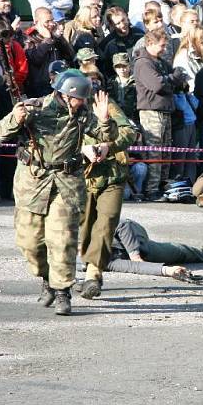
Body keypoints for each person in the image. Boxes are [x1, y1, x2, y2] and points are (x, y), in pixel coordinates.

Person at [0, 71, 117, 315]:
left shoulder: (82, 115)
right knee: (29, 242)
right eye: (78, 98)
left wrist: (104, 120)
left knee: (62, 239)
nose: (82, 102)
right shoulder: (34, 108)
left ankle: (62, 292)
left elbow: (107, 136)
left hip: (66, 183)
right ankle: (47, 278)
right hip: (33, 183)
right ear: (65, 94)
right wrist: (14, 120)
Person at [78, 69, 136, 299]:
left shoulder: (107, 106)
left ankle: (93, 274)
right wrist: (82, 150)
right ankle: (86, 266)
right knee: (85, 226)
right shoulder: (65, 111)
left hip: (112, 175)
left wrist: (107, 147)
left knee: (107, 221)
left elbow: (129, 133)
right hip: (83, 177)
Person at [134, 28, 185, 201]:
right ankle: (151, 189)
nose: (164, 49)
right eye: (161, 46)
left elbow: (174, 83)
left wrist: (171, 80)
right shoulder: (143, 63)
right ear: (150, 43)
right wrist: (171, 79)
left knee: (166, 151)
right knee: (155, 152)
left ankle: (163, 185)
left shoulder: (161, 62)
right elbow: (156, 85)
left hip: (165, 109)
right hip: (151, 111)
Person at [101, 218, 203, 278]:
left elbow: (123, 224)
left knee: (182, 251)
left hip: (136, 239)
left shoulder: (94, 228)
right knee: (179, 252)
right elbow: (132, 267)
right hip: (142, 253)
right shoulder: (95, 261)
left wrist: (134, 254)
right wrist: (168, 271)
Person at [24, 7, 74, 97]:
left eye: (52, 20)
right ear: (36, 22)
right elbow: (35, 59)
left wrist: (58, 37)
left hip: (57, 82)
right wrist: (47, 40)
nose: (51, 24)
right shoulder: (29, 38)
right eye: (47, 22)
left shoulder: (54, 36)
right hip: (39, 87)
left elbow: (69, 55)